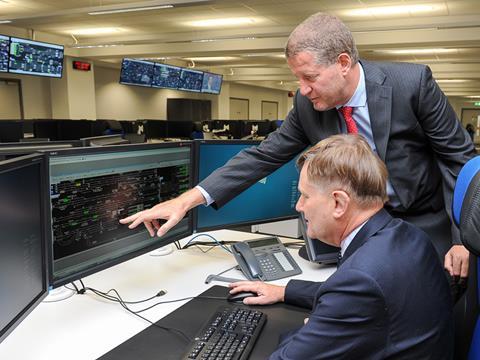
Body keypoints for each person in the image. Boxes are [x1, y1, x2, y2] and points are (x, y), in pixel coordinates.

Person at [120, 12, 475, 287]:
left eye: (309, 77)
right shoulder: (309, 107)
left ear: (342, 63)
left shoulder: (412, 84)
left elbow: (459, 160)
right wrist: (186, 200)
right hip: (359, 227)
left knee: (430, 302)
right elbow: (262, 156)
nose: (302, 90)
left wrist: (463, 239)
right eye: (297, 79)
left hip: (425, 219)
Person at [230, 134, 453, 359]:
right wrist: (285, 291)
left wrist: (311, 328)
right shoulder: (410, 236)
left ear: (339, 203)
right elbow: (359, 291)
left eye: (305, 196)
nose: (299, 206)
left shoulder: (360, 280)